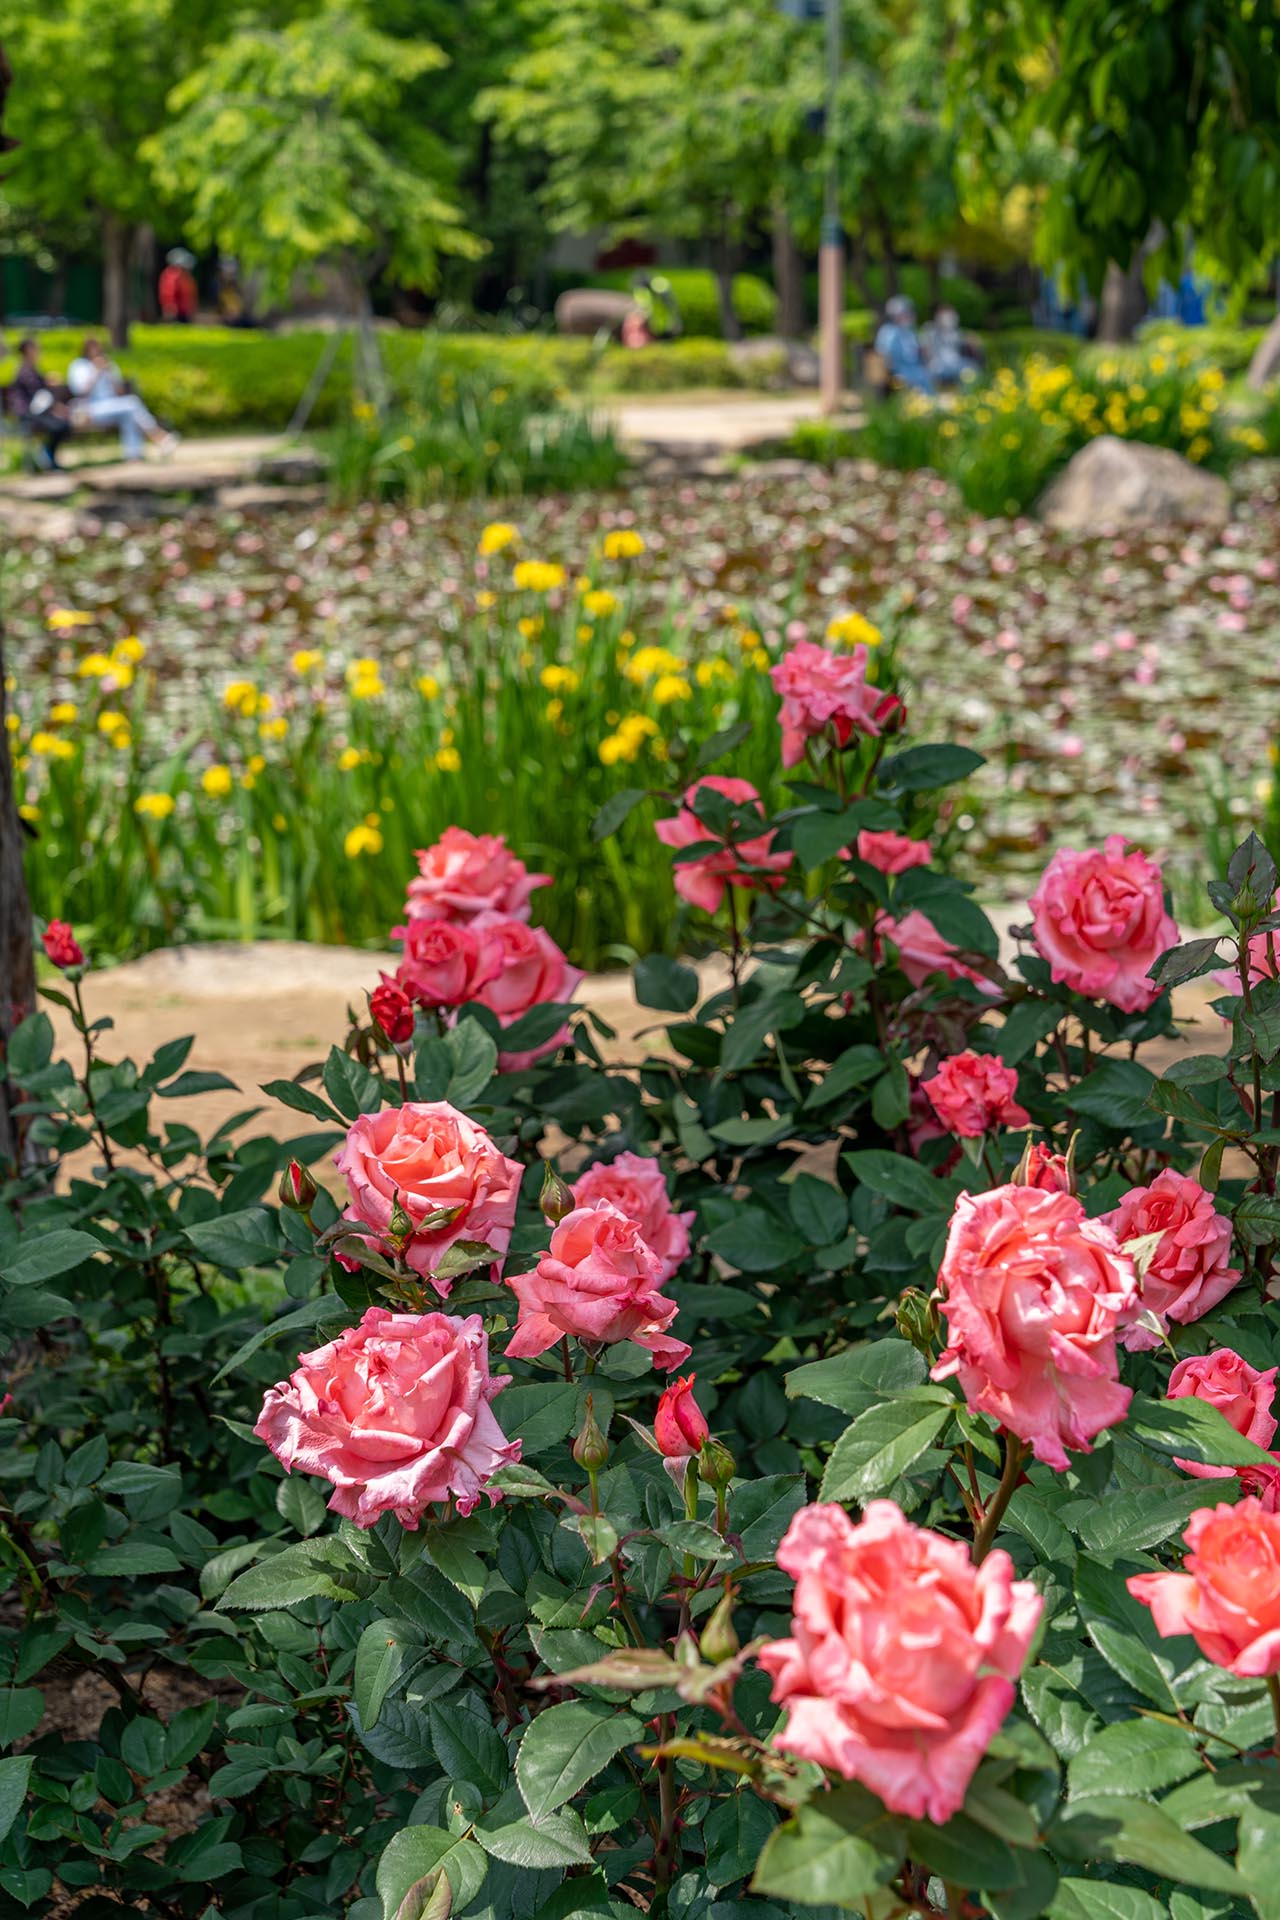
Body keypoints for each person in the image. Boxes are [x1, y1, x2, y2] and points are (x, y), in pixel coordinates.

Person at [66, 338, 180, 461]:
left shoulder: (108, 364)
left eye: (98, 347)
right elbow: (80, 392)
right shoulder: (79, 366)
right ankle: (160, 437)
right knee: (131, 404)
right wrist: (96, 373)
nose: (96, 351)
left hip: (110, 407)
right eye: (92, 348)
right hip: (89, 409)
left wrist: (110, 374)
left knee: (129, 413)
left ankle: (133, 455)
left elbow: (119, 393)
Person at [5, 336, 72, 469]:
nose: (38, 352)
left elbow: (42, 392)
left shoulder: (33, 369)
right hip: (28, 415)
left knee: (64, 424)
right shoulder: (24, 371)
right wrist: (55, 408)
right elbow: (37, 397)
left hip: (38, 412)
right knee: (60, 425)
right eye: (35, 349)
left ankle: (48, 454)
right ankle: (47, 454)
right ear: (27, 351)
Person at [874, 296, 935, 394]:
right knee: (913, 379)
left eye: (909, 313)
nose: (908, 316)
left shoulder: (911, 332)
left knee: (925, 376)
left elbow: (918, 353)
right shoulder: (888, 331)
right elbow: (883, 353)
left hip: (915, 368)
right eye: (904, 314)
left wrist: (923, 350)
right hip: (897, 369)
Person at [921, 304, 979, 386]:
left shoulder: (955, 333)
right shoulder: (930, 331)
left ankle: (967, 396)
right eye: (945, 317)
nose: (948, 320)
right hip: (937, 366)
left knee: (971, 369)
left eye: (951, 317)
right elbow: (924, 349)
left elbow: (968, 341)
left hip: (956, 364)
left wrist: (971, 341)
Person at [158, 248, 198, 323]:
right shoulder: (172, 275)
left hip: (184, 311)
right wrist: (169, 307)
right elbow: (168, 293)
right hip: (176, 311)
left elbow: (190, 295)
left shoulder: (186, 276)